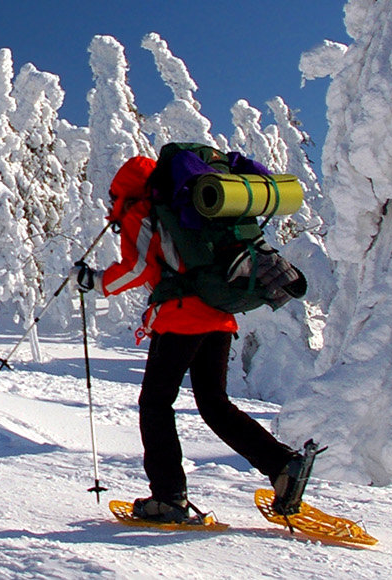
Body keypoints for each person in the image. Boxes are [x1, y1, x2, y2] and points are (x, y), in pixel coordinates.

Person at [73, 154, 313, 524]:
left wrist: (95, 282)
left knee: (155, 404)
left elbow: (138, 270)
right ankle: (282, 465)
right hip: (220, 316)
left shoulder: (143, 210)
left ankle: (169, 498)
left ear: (122, 189)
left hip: (182, 317)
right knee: (215, 404)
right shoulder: (185, 207)